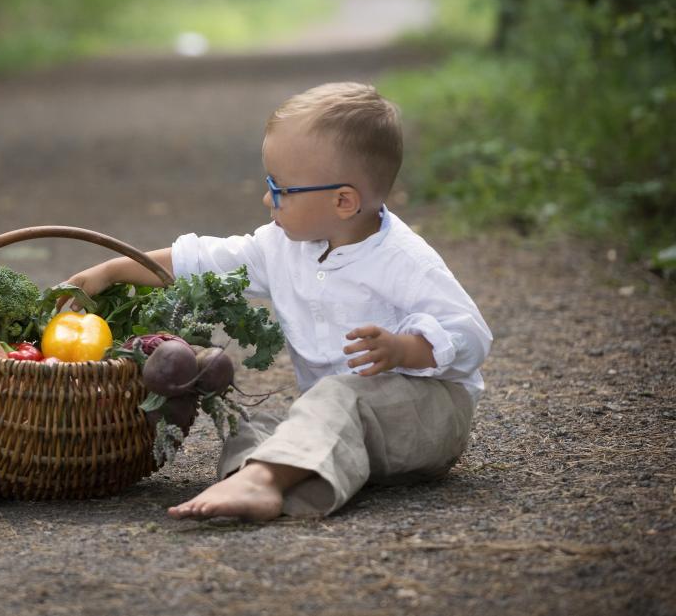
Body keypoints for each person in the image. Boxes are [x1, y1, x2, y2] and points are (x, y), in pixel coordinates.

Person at [65, 81, 492, 520]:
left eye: (281, 188)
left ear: (343, 201)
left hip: (426, 418)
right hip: (343, 432)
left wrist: (406, 348)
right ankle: (266, 484)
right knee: (254, 424)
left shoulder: (403, 259)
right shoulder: (283, 246)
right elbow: (207, 260)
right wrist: (112, 269)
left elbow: (470, 335)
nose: (267, 198)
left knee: (337, 395)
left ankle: (263, 481)